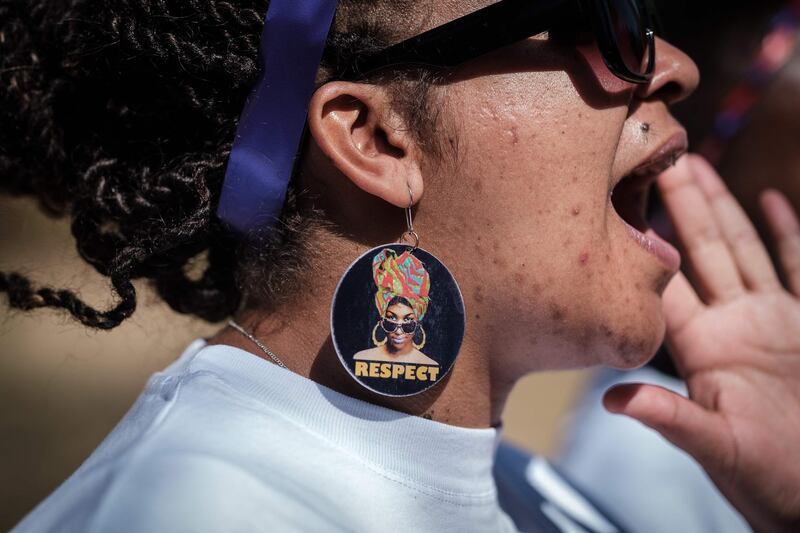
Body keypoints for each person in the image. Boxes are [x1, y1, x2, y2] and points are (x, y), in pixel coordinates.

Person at [1, 1, 799, 532]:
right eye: (598, 17)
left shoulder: (541, 492)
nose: (677, 66)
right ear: (376, 140)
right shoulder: (195, 508)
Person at [353, 248, 438, 365]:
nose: (398, 331)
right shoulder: (361, 359)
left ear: (417, 323)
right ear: (382, 320)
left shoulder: (430, 365)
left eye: (408, 321)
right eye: (391, 319)